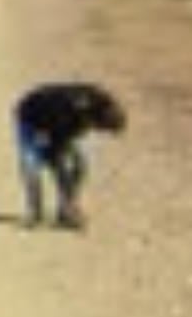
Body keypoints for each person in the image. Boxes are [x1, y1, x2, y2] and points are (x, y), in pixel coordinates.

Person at [13, 81, 125, 230]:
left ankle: (64, 211)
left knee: (81, 165)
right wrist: (57, 167)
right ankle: (36, 213)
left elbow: (67, 142)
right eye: (101, 129)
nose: (97, 132)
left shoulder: (101, 101)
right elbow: (56, 154)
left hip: (59, 121)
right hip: (30, 117)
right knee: (31, 166)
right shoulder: (69, 113)